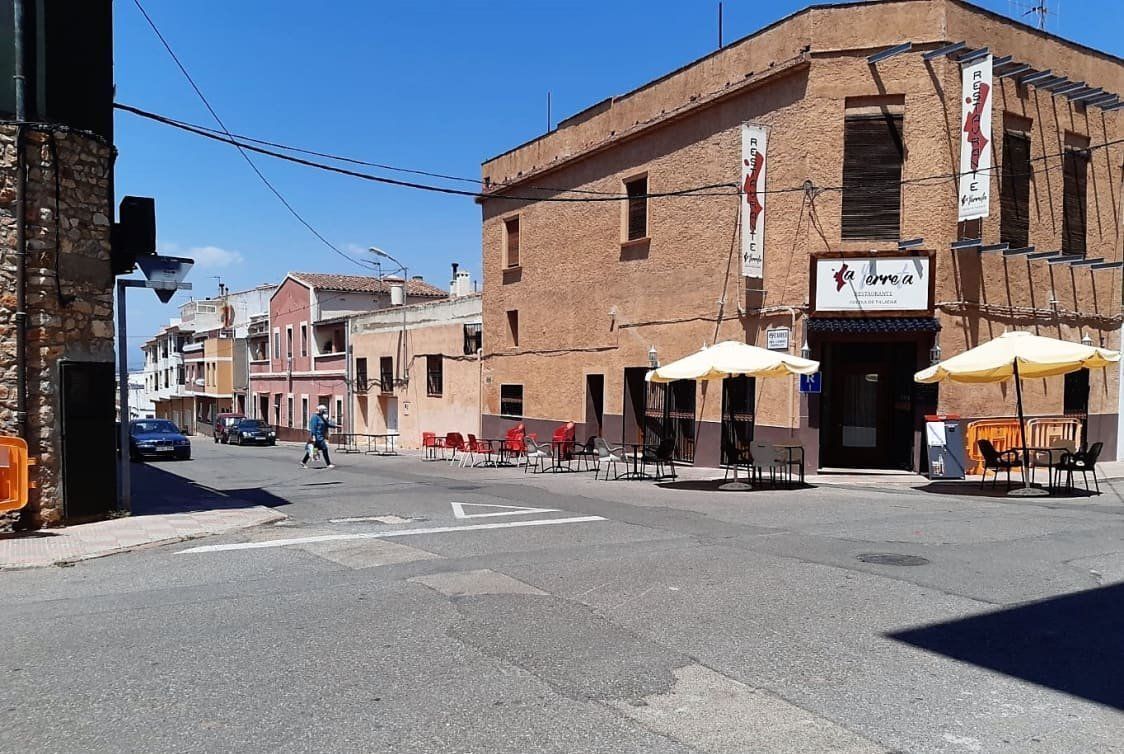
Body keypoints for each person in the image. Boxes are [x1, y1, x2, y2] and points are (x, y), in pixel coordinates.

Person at [300, 405, 339, 469]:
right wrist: (313, 437)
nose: (324, 412)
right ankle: (328, 464)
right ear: (320, 410)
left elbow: (327, 424)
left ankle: (303, 461)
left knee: (313, 449)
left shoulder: (321, 417)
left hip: (320, 436)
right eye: (324, 410)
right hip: (317, 437)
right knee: (325, 449)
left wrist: (335, 426)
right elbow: (313, 428)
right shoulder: (314, 417)